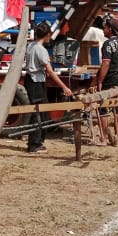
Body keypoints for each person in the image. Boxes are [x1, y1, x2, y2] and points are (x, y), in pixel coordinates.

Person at [20, 21, 73, 154]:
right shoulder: (40, 50)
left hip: (31, 80)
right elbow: (50, 71)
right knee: (38, 113)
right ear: (47, 35)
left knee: (42, 112)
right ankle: (34, 145)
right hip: (36, 82)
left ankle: (37, 142)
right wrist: (64, 87)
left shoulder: (31, 45)